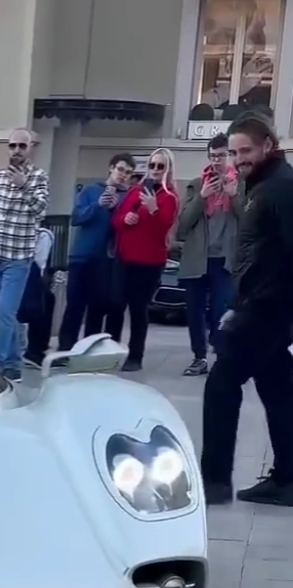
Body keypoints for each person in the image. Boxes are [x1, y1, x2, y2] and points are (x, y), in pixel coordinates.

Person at [200, 110, 293, 507]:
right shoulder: (262, 187)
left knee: (221, 385)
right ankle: (288, 479)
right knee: (279, 390)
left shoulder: (281, 188)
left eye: (246, 150)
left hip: (266, 308)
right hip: (263, 305)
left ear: (268, 145)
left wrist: (246, 307)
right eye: (234, 152)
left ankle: (214, 481)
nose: (239, 159)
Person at [105, 147, 179, 372]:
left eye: (160, 166)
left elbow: (165, 227)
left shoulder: (170, 197)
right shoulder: (136, 190)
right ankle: (110, 351)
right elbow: (116, 223)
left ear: (168, 169)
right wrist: (125, 219)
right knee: (116, 304)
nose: (155, 170)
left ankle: (135, 356)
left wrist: (154, 210)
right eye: (152, 165)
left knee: (138, 309)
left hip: (149, 262)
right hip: (125, 257)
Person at [175, 132, 242, 377]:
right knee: (194, 312)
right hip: (197, 260)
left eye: (222, 156)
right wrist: (202, 198)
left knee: (220, 312)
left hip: (224, 260)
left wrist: (234, 196)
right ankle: (199, 357)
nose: (217, 161)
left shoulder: (241, 184)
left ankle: (222, 355)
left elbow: (249, 222)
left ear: (230, 157)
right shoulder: (196, 185)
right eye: (213, 156)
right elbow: (182, 226)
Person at [0, 128, 50, 380]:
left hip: (18, 256)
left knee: (6, 313)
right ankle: (13, 363)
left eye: (22, 146)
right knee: (3, 313)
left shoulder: (38, 177)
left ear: (31, 147)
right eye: (12, 146)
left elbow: (41, 210)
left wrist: (24, 186)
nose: (16, 151)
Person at [56, 152, 136, 350]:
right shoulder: (92, 190)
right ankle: (65, 350)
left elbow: (124, 227)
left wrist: (118, 210)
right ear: (111, 168)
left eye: (127, 172)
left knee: (97, 307)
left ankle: (90, 352)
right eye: (120, 169)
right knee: (74, 305)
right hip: (81, 257)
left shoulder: (128, 197)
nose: (123, 175)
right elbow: (76, 218)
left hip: (106, 260)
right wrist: (98, 205)